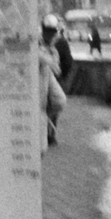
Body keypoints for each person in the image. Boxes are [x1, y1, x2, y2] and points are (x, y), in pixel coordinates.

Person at [41, 14, 72, 145]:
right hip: (54, 79)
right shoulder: (62, 42)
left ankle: (46, 134)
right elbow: (68, 62)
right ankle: (50, 136)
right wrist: (61, 76)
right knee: (52, 106)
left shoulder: (39, 42)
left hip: (47, 79)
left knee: (47, 105)